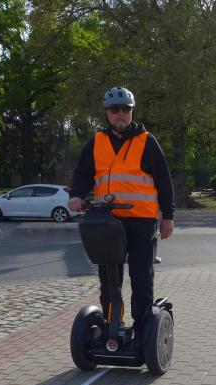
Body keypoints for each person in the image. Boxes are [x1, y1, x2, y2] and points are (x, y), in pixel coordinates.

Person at [68, 87, 175, 349]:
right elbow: (83, 173)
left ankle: (142, 330)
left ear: (132, 111)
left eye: (125, 109)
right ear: (107, 113)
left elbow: (164, 180)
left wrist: (168, 216)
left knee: (141, 277)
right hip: (107, 221)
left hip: (141, 220)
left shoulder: (147, 141)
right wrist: (77, 195)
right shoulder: (97, 142)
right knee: (109, 278)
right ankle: (111, 326)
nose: (120, 114)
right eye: (115, 109)